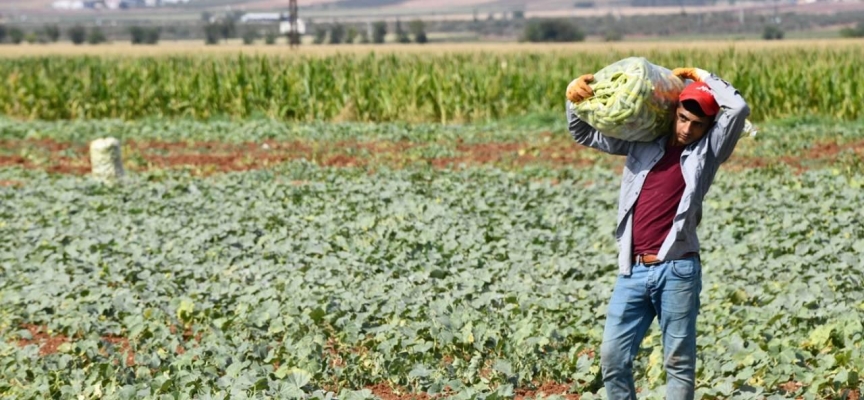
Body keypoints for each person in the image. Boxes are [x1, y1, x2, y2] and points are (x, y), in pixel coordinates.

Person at [565, 67, 751, 399]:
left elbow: (737, 109)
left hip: (678, 269)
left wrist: (702, 76)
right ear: (673, 114)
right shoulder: (643, 142)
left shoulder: (707, 153)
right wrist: (574, 95)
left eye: (697, 124)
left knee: (678, 363)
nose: (687, 129)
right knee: (612, 357)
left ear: (708, 127)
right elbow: (583, 132)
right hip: (632, 270)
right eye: (682, 118)